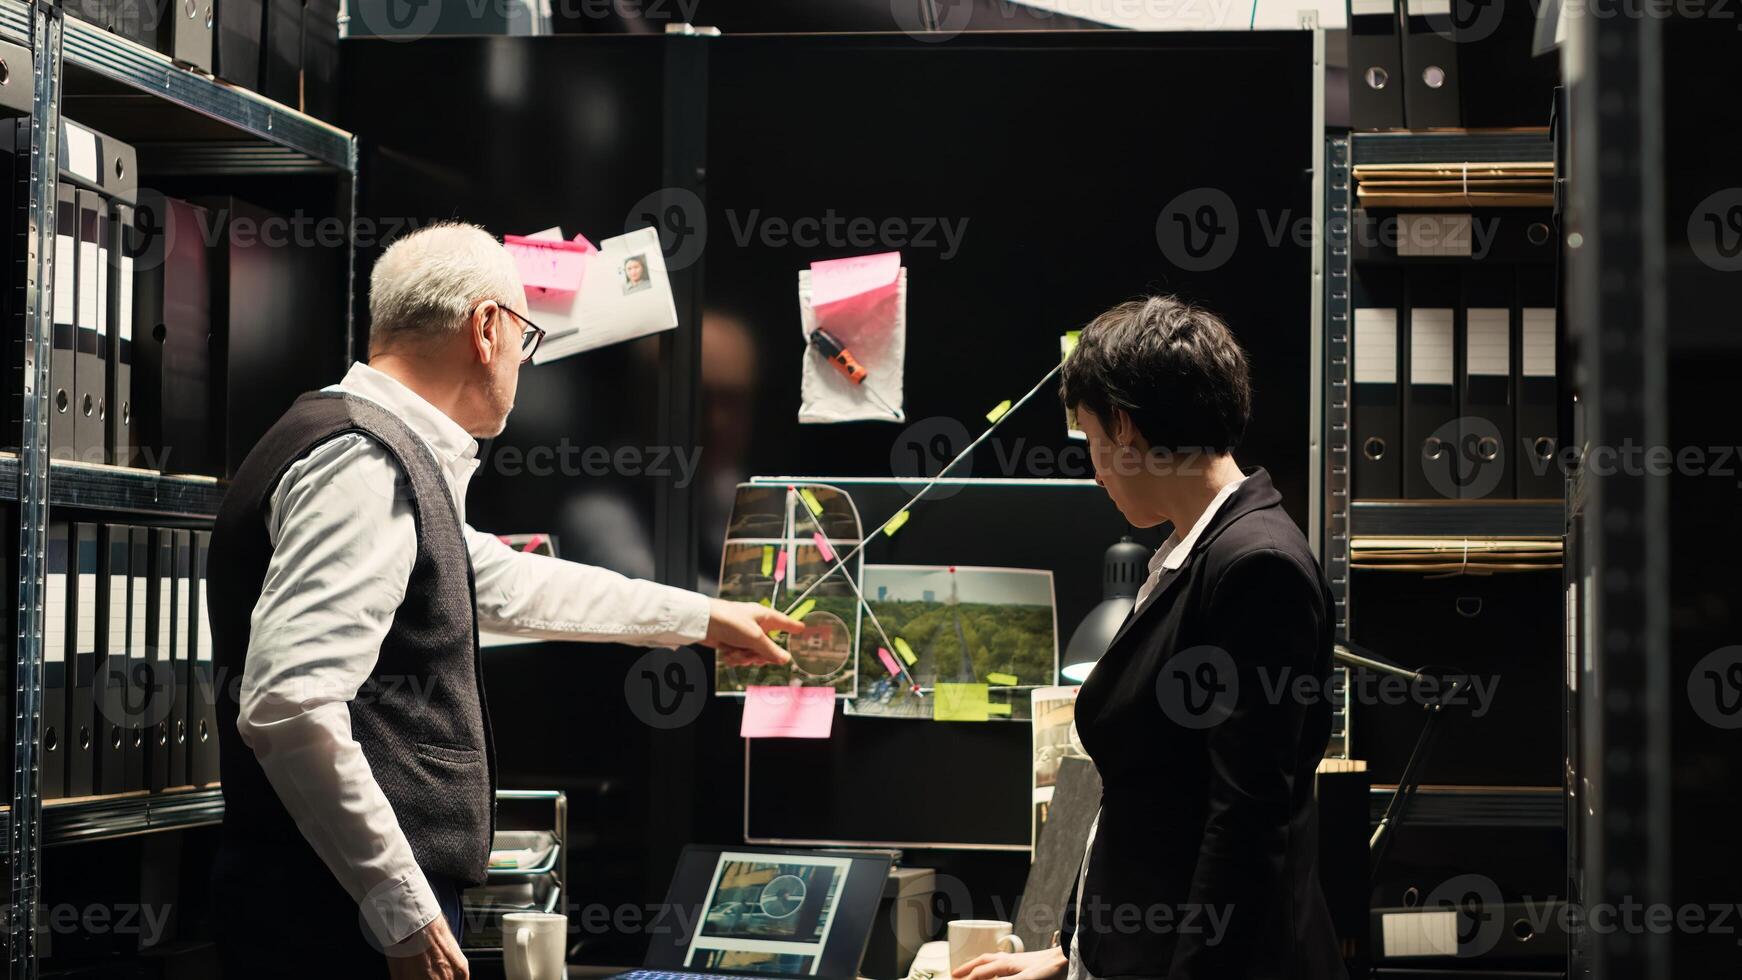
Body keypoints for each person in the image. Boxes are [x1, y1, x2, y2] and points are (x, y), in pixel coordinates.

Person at [205, 222, 801, 980]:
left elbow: (509, 580)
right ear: (488, 329)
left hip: (337, 901)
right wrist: (403, 912)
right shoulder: (365, 463)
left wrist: (704, 620)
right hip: (338, 916)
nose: (524, 364)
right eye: (527, 339)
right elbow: (290, 706)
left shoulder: (366, 445)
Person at [955, 296, 1344, 980]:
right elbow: (1154, 805)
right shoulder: (1190, 552)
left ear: (1128, 430)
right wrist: (1071, 954)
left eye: (1093, 442)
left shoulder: (1256, 566)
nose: (1097, 468)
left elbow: (1243, 826)